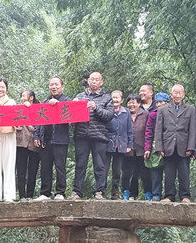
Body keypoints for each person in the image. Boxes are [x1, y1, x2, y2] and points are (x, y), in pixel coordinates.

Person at [71, 71, 114, 199]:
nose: (94, 81)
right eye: (92, 79)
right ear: (88, 81)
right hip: (81, 135)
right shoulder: (80, 96)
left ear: (101, 82)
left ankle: (99, 191)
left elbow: (109, 115)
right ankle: (77, 192)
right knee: (80, 164)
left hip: (99, 136)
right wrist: (73, 105)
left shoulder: (107, 98)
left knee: (100, 165)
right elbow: (71, 116)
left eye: (97, 79)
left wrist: (96, 108)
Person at [154, 83, 196, 203]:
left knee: (184, 173)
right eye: (175, 93)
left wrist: (191, 147)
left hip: (184, 146)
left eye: (180, 93)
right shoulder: (162, 109)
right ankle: (169, 196)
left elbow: (193, 130)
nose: (178, 95)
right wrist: (159, 147)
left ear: (183, 95)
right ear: (171, 94)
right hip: (168, 145)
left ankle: (185, 196)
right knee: (169, 173)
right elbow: (158, 129)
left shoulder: (191, 109)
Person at [34, 77, 71, 201]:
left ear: (62, 86)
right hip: (45, 139)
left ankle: (60, 192)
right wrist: (37, 135)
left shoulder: (67, 101)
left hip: (60, 139)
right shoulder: (45, 101)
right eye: (51, 85)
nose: (54, 87)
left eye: (56, 84)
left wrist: (58, 105)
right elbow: (39, 120)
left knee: (60, 167)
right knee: (45, 167)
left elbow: (70, 118)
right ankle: (45, 192)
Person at [106, 90, 133, 199]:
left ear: (122, 100)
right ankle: (101, 191)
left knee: (117, 171)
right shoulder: (107, 111)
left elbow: (129, 130)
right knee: (104, 169)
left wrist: (129, 145)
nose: (115, 100)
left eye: (117, 98)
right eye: (113, 97)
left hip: (121, 145)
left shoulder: (126, 112)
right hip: (107, 144)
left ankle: (115, 192)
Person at [121, 94, 147, 200]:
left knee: (143, 174)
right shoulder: (123, 113)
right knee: (126, 173)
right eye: (129, 102)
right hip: (126, 149)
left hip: (141, 149)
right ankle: (126, 194)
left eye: (134, 102)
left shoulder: (145, 114)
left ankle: (147, 194)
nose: (131, 105)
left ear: (139, 104)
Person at [144, 92, 169, 201]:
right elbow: (148, 132)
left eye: (161, 102)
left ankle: (169, 195)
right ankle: (156, 194)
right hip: (155, 147)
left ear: (167, 103)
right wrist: (147, 148)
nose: (159, 105)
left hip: (169, 146)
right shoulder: (153, 115)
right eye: (157, 102)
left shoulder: (172, 114)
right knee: (155, 171)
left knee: (169, 172)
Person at [15, 90, 40, 200]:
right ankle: (22, 195)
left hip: (35, 142)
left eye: (24, 96)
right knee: (21, 170)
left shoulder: (39, 108)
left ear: (31, 97)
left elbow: (40, 125)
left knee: (33, 170)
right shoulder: (18, 109)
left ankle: (30, 194)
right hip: (21, 142)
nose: (22, 98)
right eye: (21, 96)